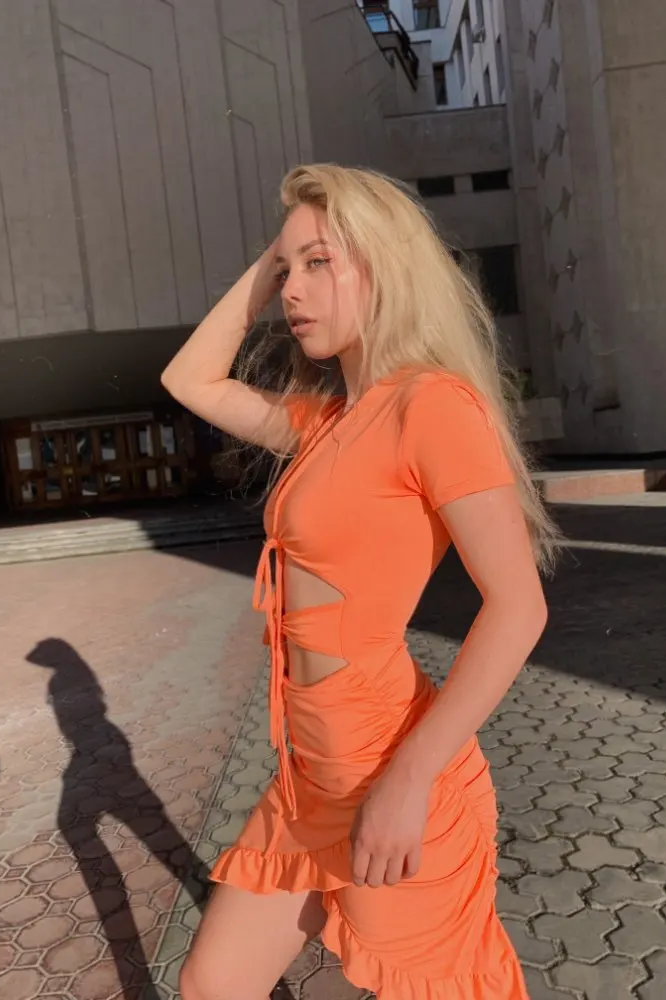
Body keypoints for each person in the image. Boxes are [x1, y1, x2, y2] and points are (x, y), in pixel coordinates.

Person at [161, 164, 558, 1000]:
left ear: (384, 268)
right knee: (212, 984)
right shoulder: (327, 420)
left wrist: (409, 780)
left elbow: (519, 606)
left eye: (320, 263)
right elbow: (189, 382)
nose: (292, 290)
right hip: (310, 776)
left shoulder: (432, 407)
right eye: (287, 269)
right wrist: (272, 260)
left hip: (390, 769)